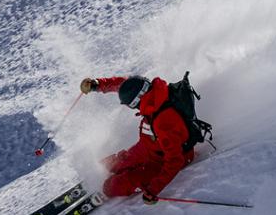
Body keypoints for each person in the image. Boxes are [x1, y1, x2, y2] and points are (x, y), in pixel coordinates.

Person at [79, 75, 195, 205]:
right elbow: (126, 85)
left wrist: (153, 190)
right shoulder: (153, 93)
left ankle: (109, 189)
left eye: (131, 105)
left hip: (161, 161)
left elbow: (175, 160)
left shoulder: (163, 122)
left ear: (137, 101)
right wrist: (96, 84)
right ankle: (114, 174)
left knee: (113, 186)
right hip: (147, 147)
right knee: (108, 165)